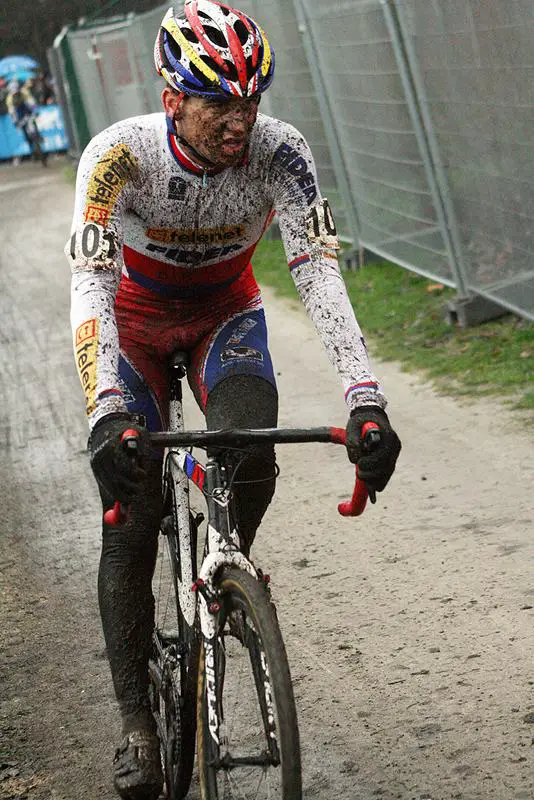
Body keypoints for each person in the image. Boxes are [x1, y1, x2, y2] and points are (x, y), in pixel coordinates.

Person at [66, 2, 401, 797]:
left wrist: (366, 397)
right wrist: (105, 409)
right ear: (172, 96)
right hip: (136, 330)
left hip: (225, 314)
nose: (240, 120)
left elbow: (317, 268)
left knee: (248, 446)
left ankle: (224, 569)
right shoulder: (118, 157)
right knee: (134, 511)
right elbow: (90, 283)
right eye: (220, 101)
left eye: (252, 98)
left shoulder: (282, 154)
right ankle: (136, 725)